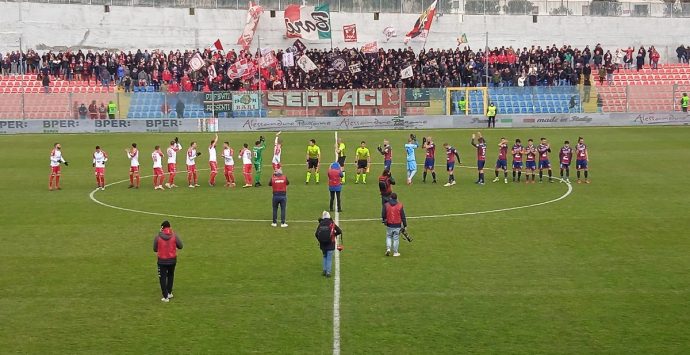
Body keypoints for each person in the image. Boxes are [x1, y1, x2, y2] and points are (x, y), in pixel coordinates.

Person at [153, 220, 183, 303]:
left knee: (162, 277)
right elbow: (180, 246)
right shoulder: (174, 235)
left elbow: (155, 249)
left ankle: (165, 296)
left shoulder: (158, 236)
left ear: (162, 228)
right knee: (170, 275)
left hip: (162, 260)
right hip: (172, 260)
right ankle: (169, 292)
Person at [315, 211, 343, 278]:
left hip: (322, 244)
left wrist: (320, 240)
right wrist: (334, 234)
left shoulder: (321, 223)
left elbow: (316, 234)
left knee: (324, 256)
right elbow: (339, 231)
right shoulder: (331, 223)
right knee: (329, 258)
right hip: (331, 243)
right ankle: (328, 272)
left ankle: (324, 270)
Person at [382, 192, 407, 257]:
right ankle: (395, 252)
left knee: (389, 236)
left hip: (389, 224)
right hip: (397, 225)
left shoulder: (386, 205)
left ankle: (388, 249)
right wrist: (405, 225)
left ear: (390, 198)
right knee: (396, 238)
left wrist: (384, 220)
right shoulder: (400, 205)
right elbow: (403, 216)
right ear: (396, 198)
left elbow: (383, 214)